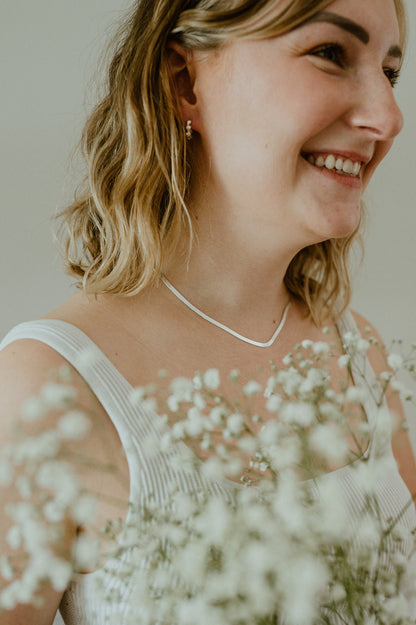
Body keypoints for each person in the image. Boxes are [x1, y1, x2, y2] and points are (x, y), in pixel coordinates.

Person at [1, 0, 416, 623]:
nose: (387, 116)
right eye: (331, 54)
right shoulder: (45, 390)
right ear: (185, 82)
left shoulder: (362, 353)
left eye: (390, 72)